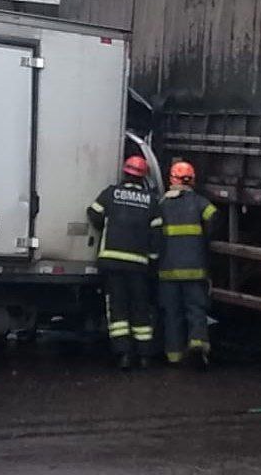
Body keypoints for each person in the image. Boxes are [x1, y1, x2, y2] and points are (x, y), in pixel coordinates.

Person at [87, 156, 158, 370]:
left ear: (125, 173)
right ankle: (144, 356)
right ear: (143, 177)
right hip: (139, 265)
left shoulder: (111, 194)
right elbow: (156, 235)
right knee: (140, 308)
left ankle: (124, 355)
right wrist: (153, 261)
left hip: (112, 262)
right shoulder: (151, 201)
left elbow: (93, 213)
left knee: (117, 309)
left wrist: (107, 226)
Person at [152, 160, 217, 369]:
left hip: (168, 272)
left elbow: (153, 235)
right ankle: (198, 344)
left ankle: (174, 356)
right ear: (192, 180)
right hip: (195, 271)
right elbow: (214, 218)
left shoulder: (161, 205)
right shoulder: (200, 203)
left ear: (172, 179)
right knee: (196, 309)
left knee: (172, 314)